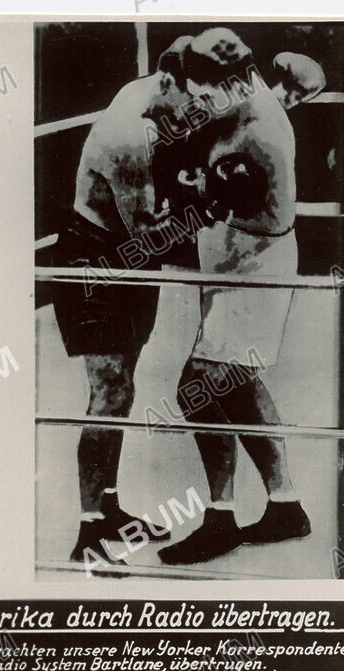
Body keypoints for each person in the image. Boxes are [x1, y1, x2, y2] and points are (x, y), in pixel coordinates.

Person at [156, 29, 311, 566]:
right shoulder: (246, 97)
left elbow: (242, 201)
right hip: (235, 259)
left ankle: (219, 518)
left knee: (196, 386)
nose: (198, 98)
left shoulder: (257, 130)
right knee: (240, 382)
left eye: (205, 88)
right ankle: (285, 505)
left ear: (232, 80)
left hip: (254, 264)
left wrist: (196, 188)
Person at [54, 39, 205, 565]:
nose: (195, 116)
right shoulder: (129, 130)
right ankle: (87, 533)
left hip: (127, 258)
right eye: (192, 103)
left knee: (125, 388)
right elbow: (149, 233)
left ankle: (109, 509)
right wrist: (204, 204)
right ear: (168, 82)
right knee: (109, 390)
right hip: (93, 260)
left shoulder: (149, 97)